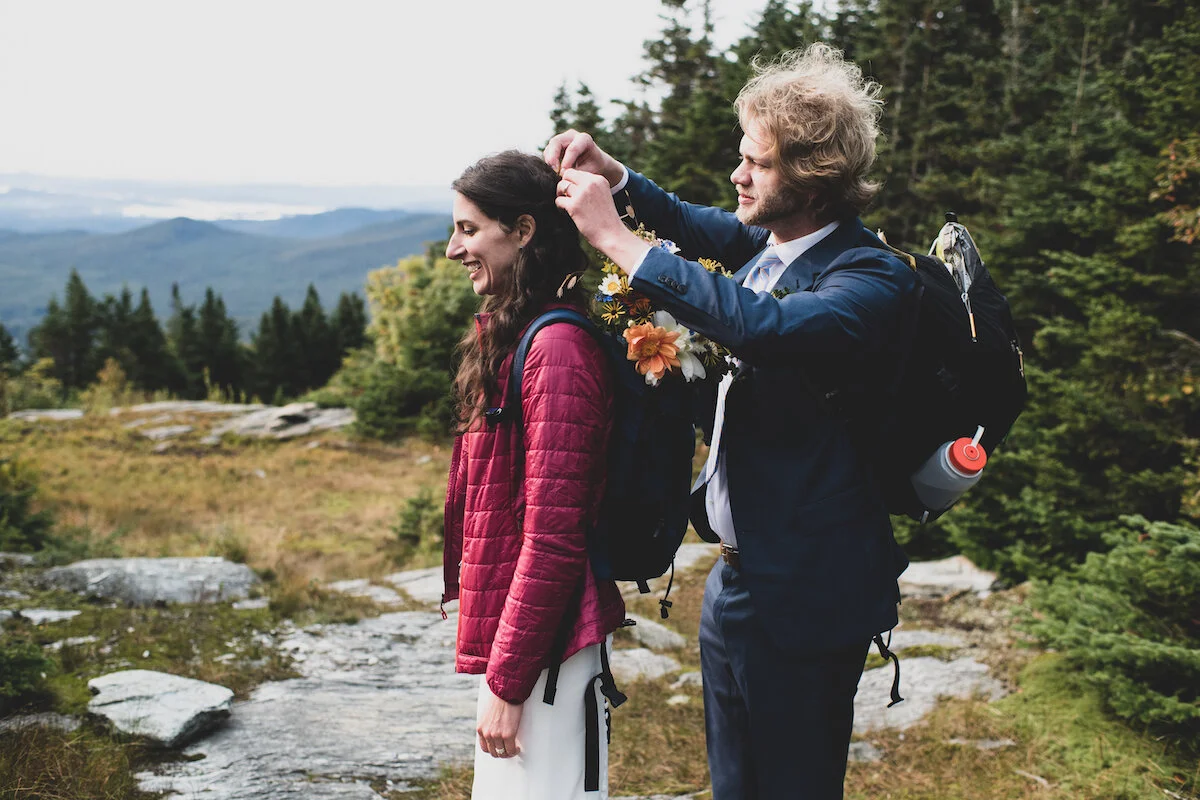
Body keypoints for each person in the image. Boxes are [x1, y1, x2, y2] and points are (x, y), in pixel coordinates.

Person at [545, 44, 919, 800]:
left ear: (813, 179)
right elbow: (695, 223)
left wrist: (616, 241)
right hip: (742, 579)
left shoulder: (871, 278)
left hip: (811, 590)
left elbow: (765, 329)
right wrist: (616, 179)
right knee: (736, 784)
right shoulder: (775, 243)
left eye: (759, 164)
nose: (738, 175)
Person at [440, 150, 626, 800]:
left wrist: (509, 681)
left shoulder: (557, 352)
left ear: (522, 231)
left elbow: (554, 538)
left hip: (549, 659)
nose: (452, 249)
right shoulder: (518, 340)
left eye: (468, 230)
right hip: (530, 649)